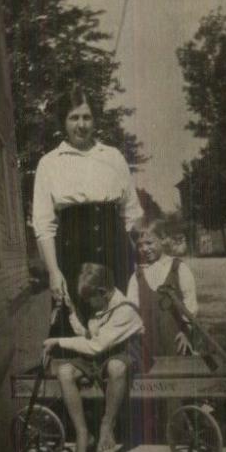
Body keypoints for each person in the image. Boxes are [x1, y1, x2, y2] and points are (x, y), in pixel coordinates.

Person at [32, 84, 143, 330]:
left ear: (95, 120)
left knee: (118, 329)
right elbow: (44, 225)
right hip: (72, 257)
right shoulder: (49, 163)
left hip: (115, 255)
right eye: (74, 118)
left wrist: (144, 258)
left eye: (87, 117)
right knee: (75, 330)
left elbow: (132, 213)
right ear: (64, 122)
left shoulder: (113, 157)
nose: (81, 125)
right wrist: (53, 272)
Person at [43, 263, 144, 452]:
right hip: (99, 355)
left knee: (116, 367)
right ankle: (83, 434)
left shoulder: (125, 310)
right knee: (64, 371)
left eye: (90, 300)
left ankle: (107, 423)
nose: (88, 305)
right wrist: (72, 311)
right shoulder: (102, 306)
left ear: (102, 292)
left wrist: (58, 341)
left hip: (124, 353)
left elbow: (96, 346)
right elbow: (89, 336)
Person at [127, 219, 198, 362]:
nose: (144, 249)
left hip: (176, 339)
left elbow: (191, 305)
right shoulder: (137, 276)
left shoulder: (178, 269)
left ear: (163, 239)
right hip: (147, 341)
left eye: (149, 243)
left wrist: (186, 332)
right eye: (140, 245)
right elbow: (131, 309)